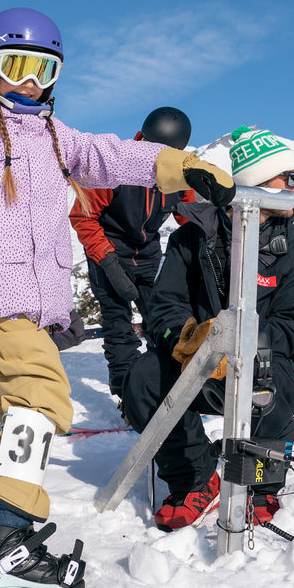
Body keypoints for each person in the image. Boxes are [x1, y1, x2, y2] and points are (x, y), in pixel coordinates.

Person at [0, 7, 235, 588]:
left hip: (39, 299)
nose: (31, 82)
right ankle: (7, 533)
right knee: (40, 391)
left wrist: (178, 167)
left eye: (44, 69)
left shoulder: (54, 136)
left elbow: (112, 155)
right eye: (18, 67)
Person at [121, 126, 294, 532]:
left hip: (254, 368)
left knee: (278, 380)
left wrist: (247, 345)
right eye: (290, 179)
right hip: (197, 364)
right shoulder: (193, 238)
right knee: (143, 377)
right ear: (257, 186)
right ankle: (196, 477)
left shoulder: (292, 246)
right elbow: (164, 305)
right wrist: (188, 341)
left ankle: (260, 489)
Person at [70, 107, 196, 399]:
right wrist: (108, 262)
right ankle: (127, 394)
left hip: (148, 254)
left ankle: (162, 385)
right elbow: (83, 217)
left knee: (163, 320)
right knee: (119, 326)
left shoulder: (178, 173)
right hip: (108, 251)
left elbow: (191, 216)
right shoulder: (113, 168)